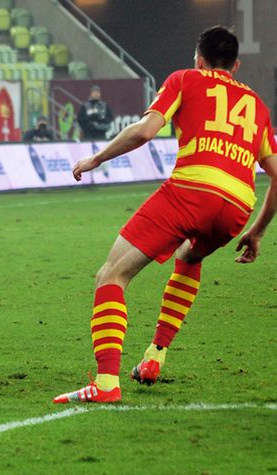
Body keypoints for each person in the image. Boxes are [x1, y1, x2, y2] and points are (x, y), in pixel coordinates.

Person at [54, 26, 277, 404]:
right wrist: (257, 231)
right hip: (238, 204)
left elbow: (145, 132)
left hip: (192, 189)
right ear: (235, 65)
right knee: (189, 256)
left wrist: (96, 158)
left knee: (112, 274)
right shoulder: (257, 105)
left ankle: (106, 384)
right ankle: (155, 357)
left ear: (199, 60)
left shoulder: (184, 79)